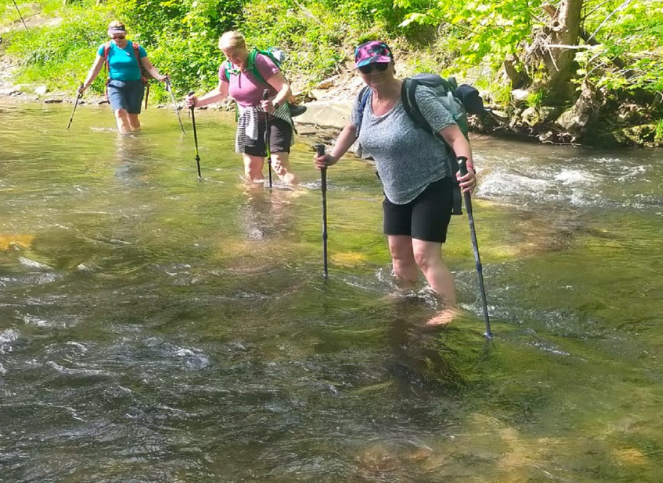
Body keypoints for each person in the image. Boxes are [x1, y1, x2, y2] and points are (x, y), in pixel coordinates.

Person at [314, 40, 476, 316]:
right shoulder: (364, 97)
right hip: (394, 188)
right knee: (399, 254)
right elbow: (353, 127)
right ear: (359, 72)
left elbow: (454, 136)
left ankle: (449, 310)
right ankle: (405, 293)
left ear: (391, 63)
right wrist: (333, 156)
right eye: (367, 69)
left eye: (380, 65)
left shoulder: (416, 96)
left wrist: (467, 167)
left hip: (432, 183)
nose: (374, 72)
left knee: (424, 255)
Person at [186, 31, 298, 186]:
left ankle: (295, 198)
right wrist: (198, 102)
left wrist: (275, 104)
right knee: (251, 170)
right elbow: (221, 92)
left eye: (235, 54)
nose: (232, 59)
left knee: (279, 165)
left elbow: (285, 88)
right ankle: (258, 205)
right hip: (249, 121)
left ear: (244, 47)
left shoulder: (261, 62)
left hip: (274, 117)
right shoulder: (226, 67)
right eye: (227, 55)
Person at [79, 21, 167, 134]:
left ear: (125, 33)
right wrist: (85, 86)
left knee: (133, 119)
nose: (118, 38)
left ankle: (136, 138)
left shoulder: (137, 48)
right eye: (114, 36)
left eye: (121, 35)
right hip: (115, 85)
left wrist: (160, 77)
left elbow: (149, 67)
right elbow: (95, 69)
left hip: (136, 86)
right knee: (120, 112)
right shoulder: (105, 48)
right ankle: (127, 143)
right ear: (109, 34)